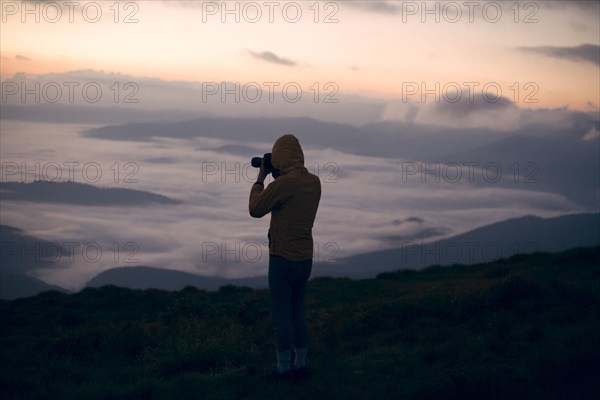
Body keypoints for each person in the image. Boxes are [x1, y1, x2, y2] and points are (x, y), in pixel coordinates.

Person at [249, 134, 321, 380]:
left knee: (281, 315)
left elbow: (255, 210)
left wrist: (261, 178)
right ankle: (301, 364)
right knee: (297, 311)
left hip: (281, 258)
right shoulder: (314, 182)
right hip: (305, 258)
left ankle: (283, 368)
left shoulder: (282, 185)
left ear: (279, 156)